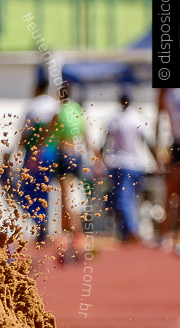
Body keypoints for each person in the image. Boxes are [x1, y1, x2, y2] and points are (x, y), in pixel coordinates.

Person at [9, 77, 61, 243]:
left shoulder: (32, 106)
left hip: (35, 154)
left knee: (30, 189)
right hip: (52, 153)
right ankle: (43, 225)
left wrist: (16, 152)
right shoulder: (55, 105)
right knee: (45, 189)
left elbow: (24, 132)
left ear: (36, 88)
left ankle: (40, 224)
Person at [100, 94, 152, 243]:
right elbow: (147, 141)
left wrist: (102, 158)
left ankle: (131, 230)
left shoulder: (115, 119)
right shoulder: (137, 118)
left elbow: (106, 141)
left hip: (120, 164)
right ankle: (127, 231)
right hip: (136, 165)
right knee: (131, 198)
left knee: (122, 199)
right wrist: (156, 159)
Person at [51, 82, 93, 258]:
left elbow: (50, 135)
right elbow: (86, 135)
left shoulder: (59, 113)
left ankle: (71, 234)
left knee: (65, 197)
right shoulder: (77, 110)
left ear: (60, 95)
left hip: (64, 154)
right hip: (76, 155)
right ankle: (74, 234)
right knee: (72, 195)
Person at [157, 87, 180, 254]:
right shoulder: (166, 93)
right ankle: (165, 235)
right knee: (172, 192)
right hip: (177, 146)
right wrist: (159, 147)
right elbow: (159, 119)